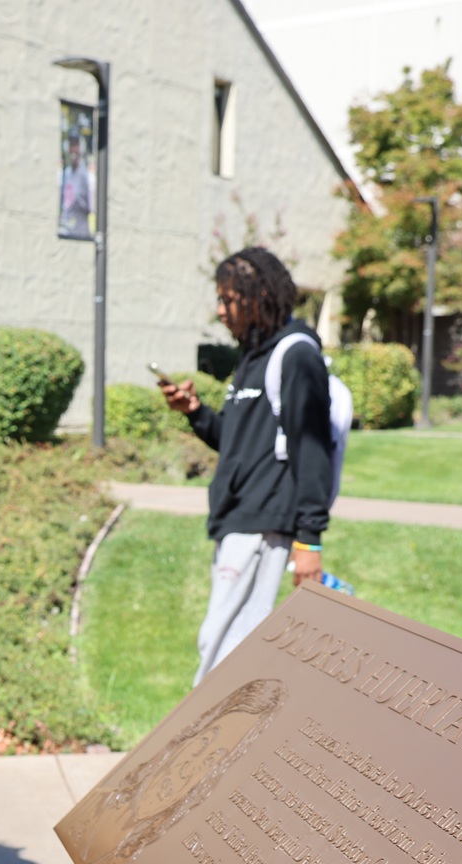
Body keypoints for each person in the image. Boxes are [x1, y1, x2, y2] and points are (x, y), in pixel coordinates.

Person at [162, 246, 335, 684]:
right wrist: (196, 413)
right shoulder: (253, 359)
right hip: (238, 520)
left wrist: (309, 540)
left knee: (225, 651)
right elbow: (238, 445)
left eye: (227, 299)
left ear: (257, 297)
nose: (220, 311)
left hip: (264, 525)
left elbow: (312, 450)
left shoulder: (295, 356)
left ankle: (206, 747)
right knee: (222, 644)